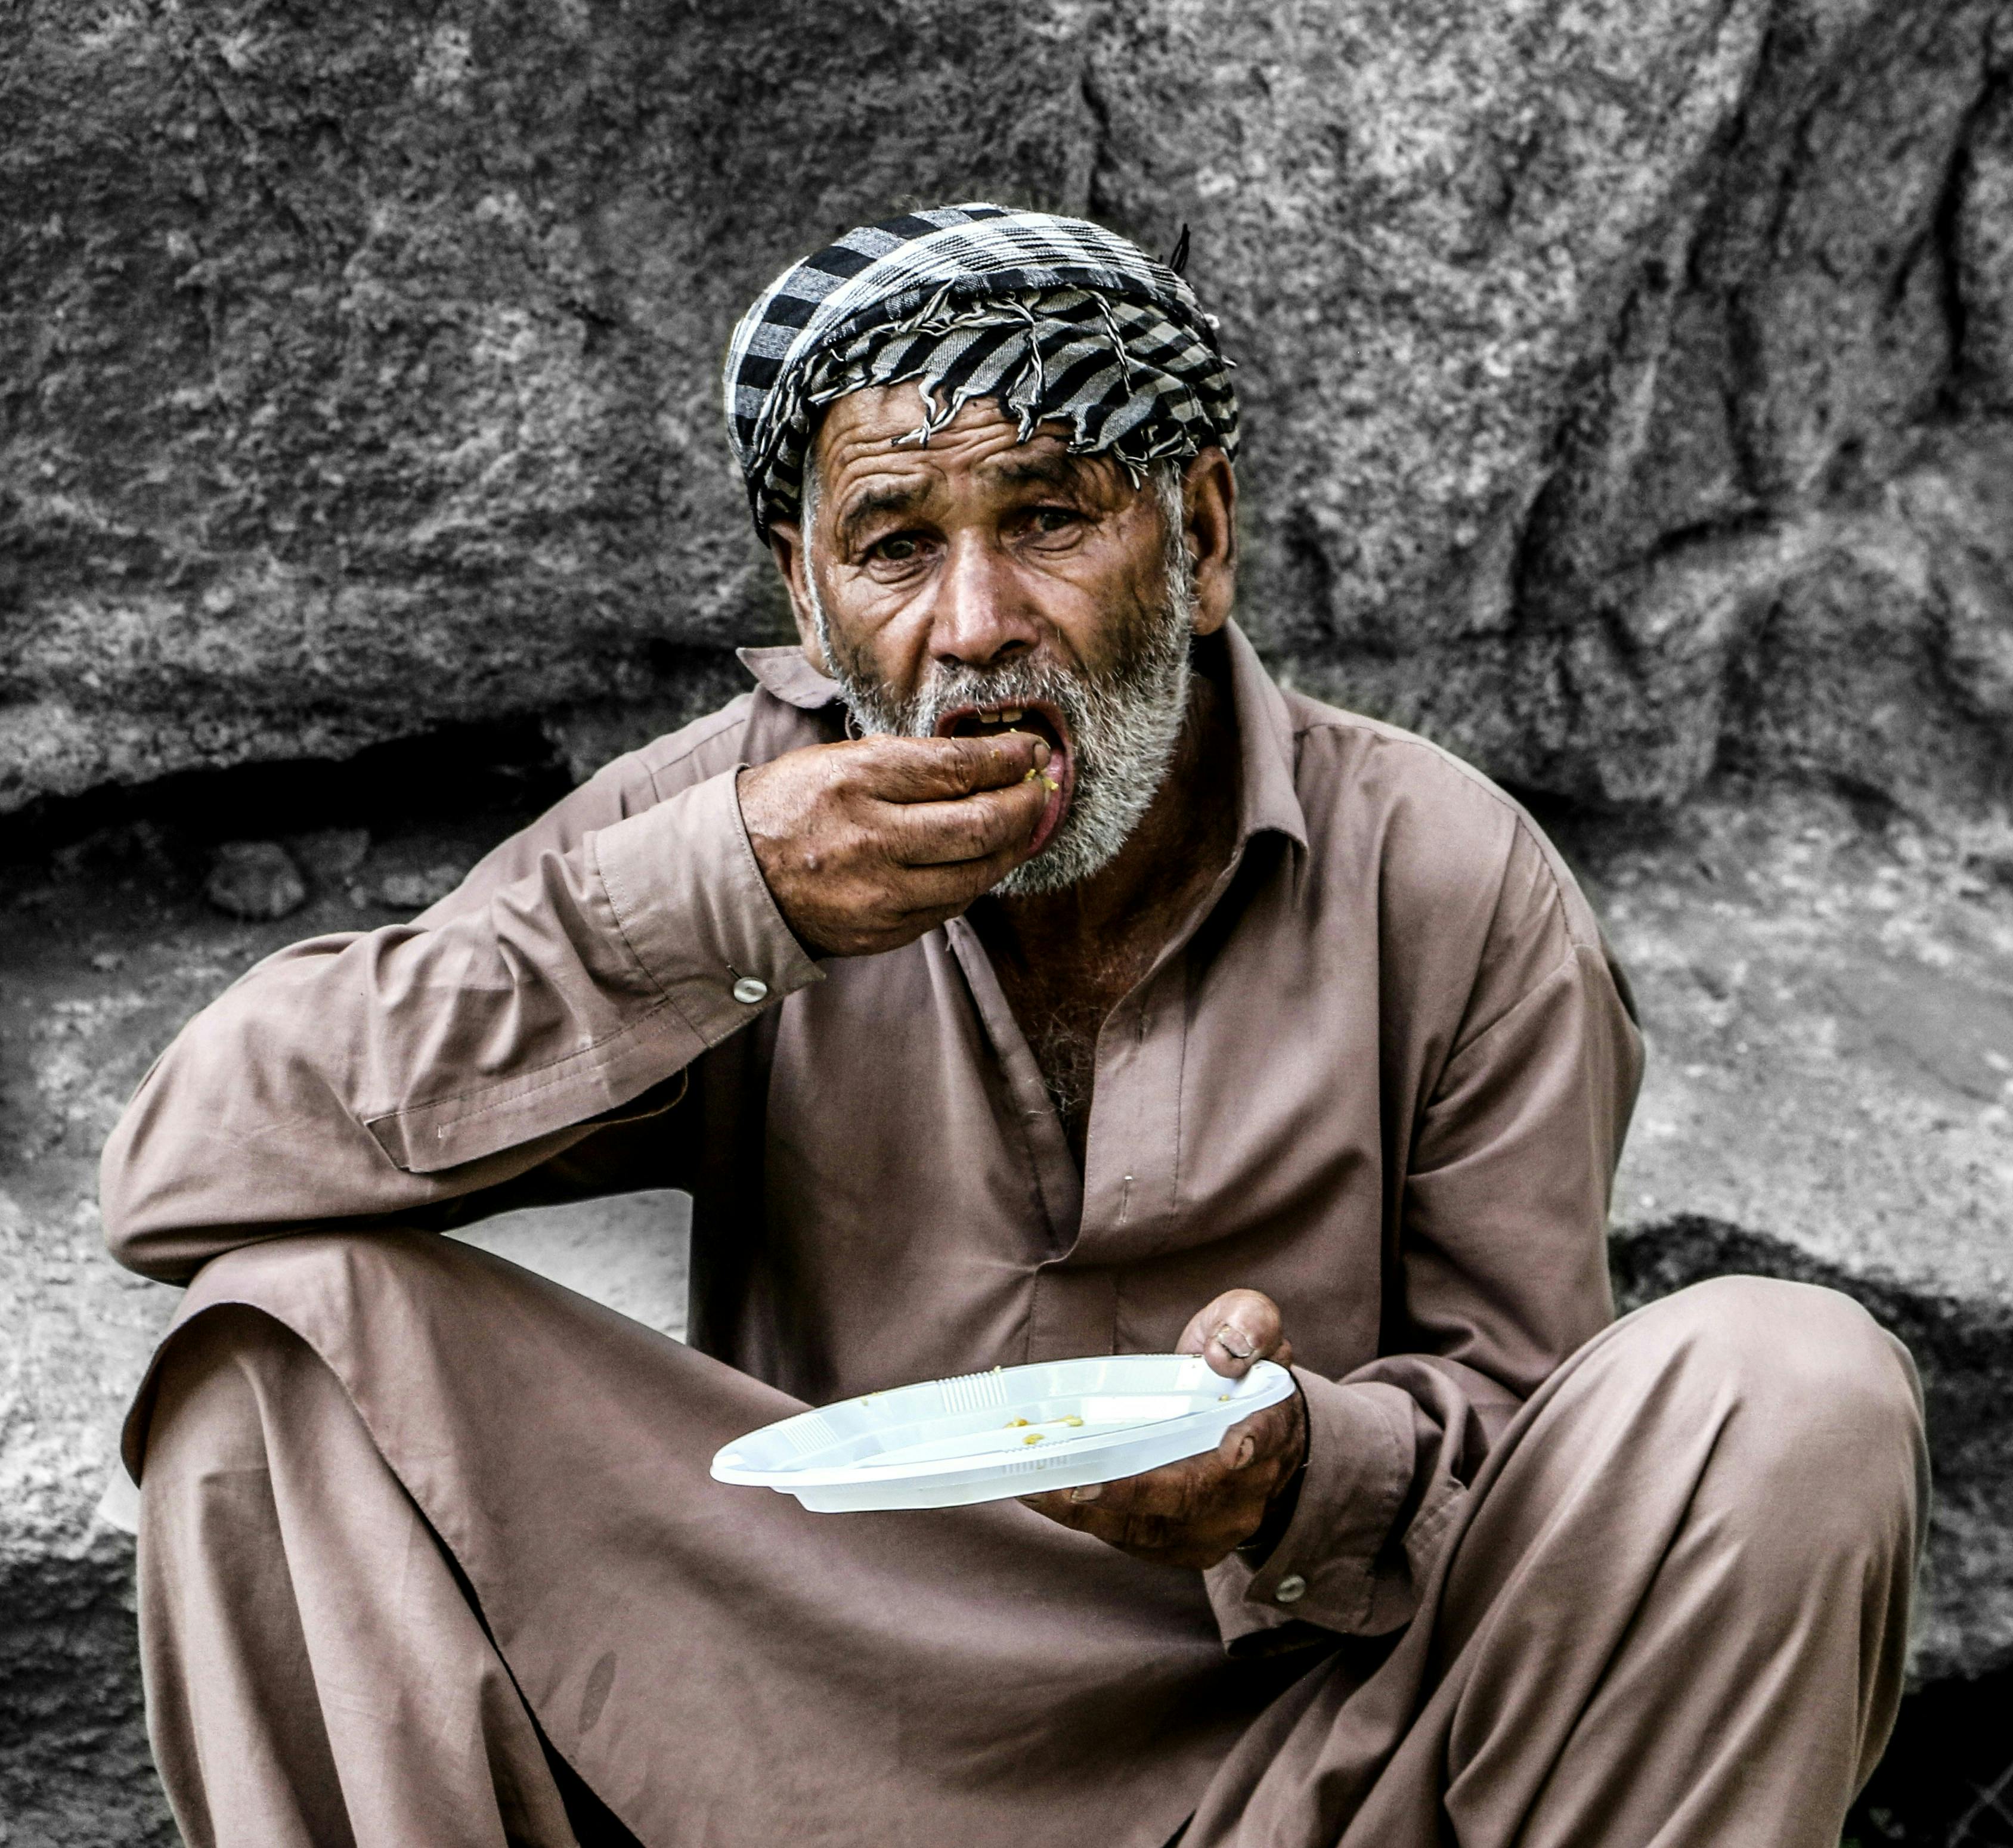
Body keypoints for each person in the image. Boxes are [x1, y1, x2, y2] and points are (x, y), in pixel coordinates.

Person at [103, 203, 1925, 1848]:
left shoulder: (1448, 876)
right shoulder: (737, 821)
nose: (975, 625)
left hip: (1312, 1759)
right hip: (793, 1729)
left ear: (1197, 543)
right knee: (278, 1351)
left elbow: (1542, 1446)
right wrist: (721, 912)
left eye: (1048, 516)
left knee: (1792, 1386)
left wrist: (1295, 1466)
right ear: (810, 605)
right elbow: (187, 1163)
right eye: (895, 545)